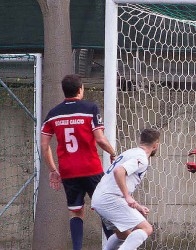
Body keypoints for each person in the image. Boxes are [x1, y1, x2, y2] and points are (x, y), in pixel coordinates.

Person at [40, 74, 118, 250]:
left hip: (68, 171)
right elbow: (100, 139)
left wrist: (53, 169)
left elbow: (44, 146)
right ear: (80, 89)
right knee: (104, 208)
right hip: (91, 168)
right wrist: (113, 153)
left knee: (76, 211)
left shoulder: (53, 114)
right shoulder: (90, 108)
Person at [91, 128, 161, 250]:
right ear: (156, 145)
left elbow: (121, 182)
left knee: (122, 235)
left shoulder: (129, 152)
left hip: (99, 198)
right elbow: (119, 171)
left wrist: (137, 205)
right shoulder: (142, 158)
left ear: (141, 140)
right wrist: (127, 197)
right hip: (110, 199)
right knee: (146, 228)